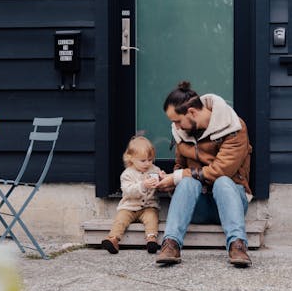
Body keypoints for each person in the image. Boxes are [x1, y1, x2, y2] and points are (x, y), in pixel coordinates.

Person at [154, 80, 253, 267]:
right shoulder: (182, 132)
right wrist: (170, 180)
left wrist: (179, 176)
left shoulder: (233, 127)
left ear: (192, 112)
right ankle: (171, 244)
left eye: (177, 120)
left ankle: (238, 245)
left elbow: (220, 170)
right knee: (186, 183)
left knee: (223, 180)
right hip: (198, 206)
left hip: (231, 203)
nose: (176, 127)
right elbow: (179, 167)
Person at [102, 136, 164, 254]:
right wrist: (143, 185)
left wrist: (162, 178)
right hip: (129, 206)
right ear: (131, 159)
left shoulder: (154, 169)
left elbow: (161, 184)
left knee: (152, 218)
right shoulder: (127, 174)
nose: (147, 163)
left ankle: (151, 239)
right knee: (120, 219)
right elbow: (128, 191)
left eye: (150, 160)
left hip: (148, 207)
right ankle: (113, 239)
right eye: (143, 160)